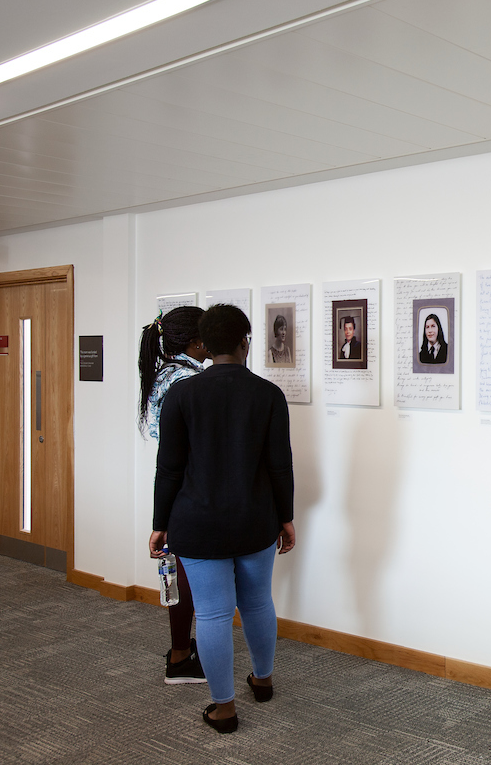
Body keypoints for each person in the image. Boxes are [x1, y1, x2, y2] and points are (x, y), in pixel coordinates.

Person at [150, 304, 296, 734]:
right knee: (257, 602)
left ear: (205, 347)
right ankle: (263, 681)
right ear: (244, 342)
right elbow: (280, 466)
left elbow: (169, 469)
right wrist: (285, 518)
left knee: (213, 615)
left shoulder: (181, 395)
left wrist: (160, 522)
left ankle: (224, 708)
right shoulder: (269, 395)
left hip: (197, 523)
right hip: (255, 520)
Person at [137, 305, 208, 685]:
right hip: (186, 485)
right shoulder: (186, 382)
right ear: (197, 341)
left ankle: (181, 648)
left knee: (180, 572)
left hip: (175, 482)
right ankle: (180, 655)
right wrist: (159, 522)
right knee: (184, 575)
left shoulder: (167, 373)